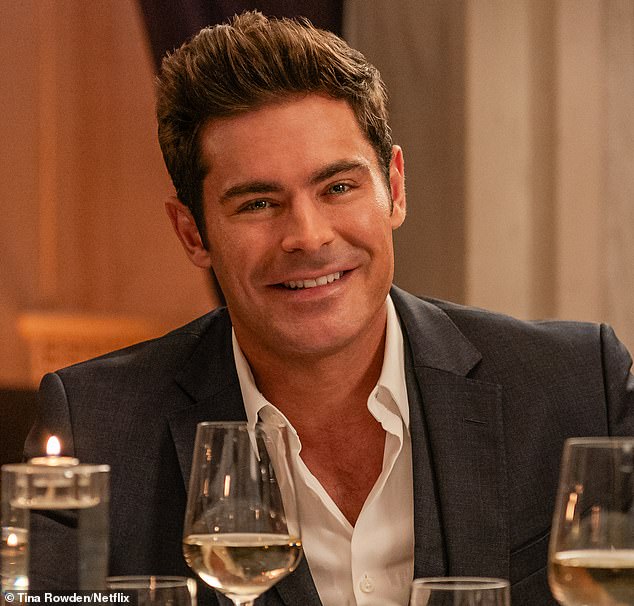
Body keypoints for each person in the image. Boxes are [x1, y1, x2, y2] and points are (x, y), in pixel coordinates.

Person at [25, 11, 634, 606]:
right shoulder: (97, 431)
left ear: (394, 188)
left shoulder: (580, 391)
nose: (308, 237)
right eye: (258, 204)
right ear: (192, 233)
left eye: (338, 188)